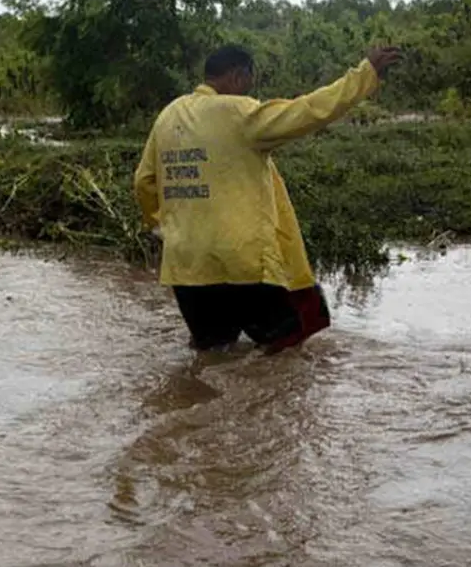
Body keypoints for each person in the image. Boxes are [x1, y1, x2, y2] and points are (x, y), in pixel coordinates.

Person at [133, 44, 402, 353]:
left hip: (185, 265)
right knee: (285, 350)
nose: (250, 89)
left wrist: (163, 227)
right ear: (237, 76)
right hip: (241, 263)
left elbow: (144, 182)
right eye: (249, 81)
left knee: (213, 354)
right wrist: (364, 75)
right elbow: (309, 110)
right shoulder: (238, 112)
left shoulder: (169, 116)